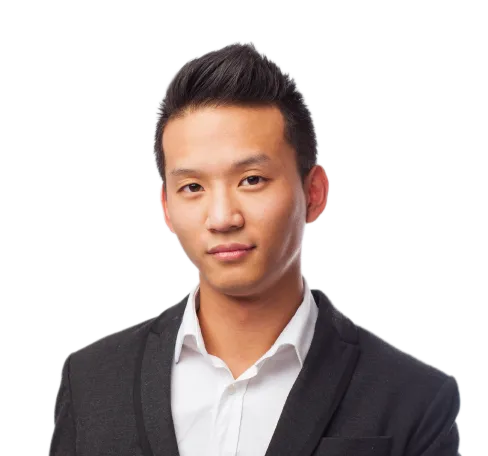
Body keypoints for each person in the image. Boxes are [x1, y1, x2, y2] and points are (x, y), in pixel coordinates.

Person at [48, 40, 462, 455]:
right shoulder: (91, 381)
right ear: (167, 208)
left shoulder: (414, 399)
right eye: (192, 187)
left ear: (314, 194)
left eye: (252, 180)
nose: (222, 217)